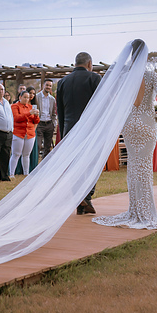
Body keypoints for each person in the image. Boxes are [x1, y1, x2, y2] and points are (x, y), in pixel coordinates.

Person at [94, 66, 157, 230]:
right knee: (145, 166)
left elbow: (112, 98)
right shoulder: (151, 75)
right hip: (147, 122)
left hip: (129, 124)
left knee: (134, 165)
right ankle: (145, 212)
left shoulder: (124, 76)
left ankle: (135, 210)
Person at [57, 51, 101, 214]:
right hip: (90, 129)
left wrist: (63, 132)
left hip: (69, 129)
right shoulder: (94, 78)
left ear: (75, 63)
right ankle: (86, 197)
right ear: (90, 63)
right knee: (92, 163)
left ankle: (79, 199)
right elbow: (100, 105)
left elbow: (60, 111)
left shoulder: (62, 82)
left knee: (74, 164)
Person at [9, 89, 39, 178]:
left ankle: (26, 173)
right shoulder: (15, 106)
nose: (26, 99)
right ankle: (11, 173)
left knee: (26, 155)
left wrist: (36, 115)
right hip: (18, 133)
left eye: (28, 98)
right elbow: (17, 118)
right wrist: (29, 113)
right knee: (16, 154)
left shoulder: (31, 107)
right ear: (20, 97)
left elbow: (36, 121)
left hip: (30, 133)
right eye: (24, 97)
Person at [33, 79, 57, 159]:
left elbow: (53, 113)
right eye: (47, 85)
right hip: (39, 124)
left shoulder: (52, 99)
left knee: (47, 147)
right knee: (38, 145)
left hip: (49, 124)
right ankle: (35, 165)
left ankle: (44, 165)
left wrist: (54, 124)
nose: (48, 87)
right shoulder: (37, 97)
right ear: (43, 85)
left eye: (50, 86)